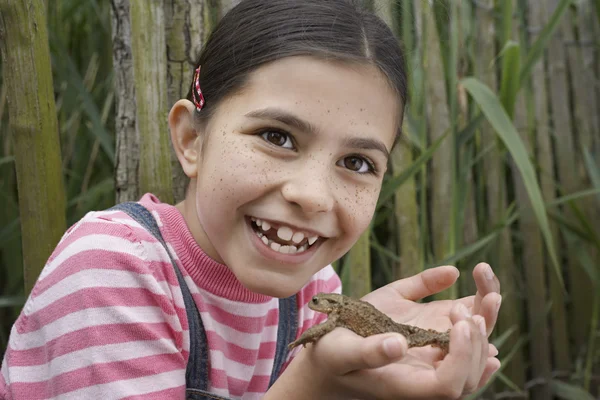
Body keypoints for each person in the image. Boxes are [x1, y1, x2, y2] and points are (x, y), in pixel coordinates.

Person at [1, 0, 502, 399]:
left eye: (357, 163)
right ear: (192, 140)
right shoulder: (108, 270)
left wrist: (366, 385)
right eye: (277, 137)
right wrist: (315, 385)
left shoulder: (311, 285)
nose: (310, 196)